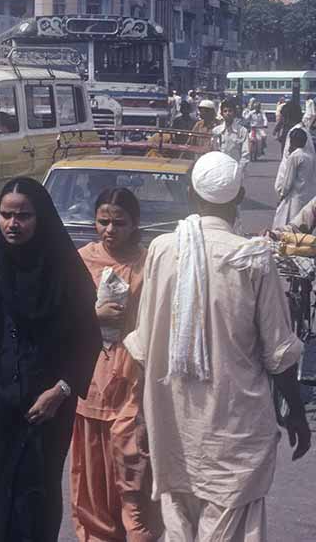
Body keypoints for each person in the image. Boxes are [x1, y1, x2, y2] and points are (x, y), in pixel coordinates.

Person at [124, 151, 310, 541]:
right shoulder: (253, 257)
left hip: (172, 425)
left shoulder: (161, 250)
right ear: (240, 197)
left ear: (191, 196)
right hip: (234, 431)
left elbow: (142, 347)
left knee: (177, 524)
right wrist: (295, 413)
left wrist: (141, 416)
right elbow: (279, 353)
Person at [0, 177, 102, 542]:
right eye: (6, 215)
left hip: (46, 407)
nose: (13, 224)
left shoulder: (65, 272)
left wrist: (59, 390)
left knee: (35, 495)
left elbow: (87, 339)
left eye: (23, 215)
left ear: (40, 217)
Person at [70, 188, 163, 542]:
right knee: (91, 474)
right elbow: (60, 316)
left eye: (118, 223)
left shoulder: (149, 263)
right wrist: (92, 316)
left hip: (134, 378)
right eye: (103, 222)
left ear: (135, 224)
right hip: (90, 377)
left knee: (133, 470)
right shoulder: (81, 260)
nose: (109, 230)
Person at [273, 127, 316, 229]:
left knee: (287, 224)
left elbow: (288, 181)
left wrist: (281, 195)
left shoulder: (295, 156)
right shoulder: (310, 156)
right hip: (306, 196)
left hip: (294, 197)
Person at [211, 98, 250, 170]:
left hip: (235, 169)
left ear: (234, 113)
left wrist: (239, 169)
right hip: (219, 168)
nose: (227, 113)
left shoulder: (242, 131)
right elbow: (213, 151)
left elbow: (245, 153)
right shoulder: (216, 131)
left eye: (230, 111)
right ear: (221, 114)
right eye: (225, 111)